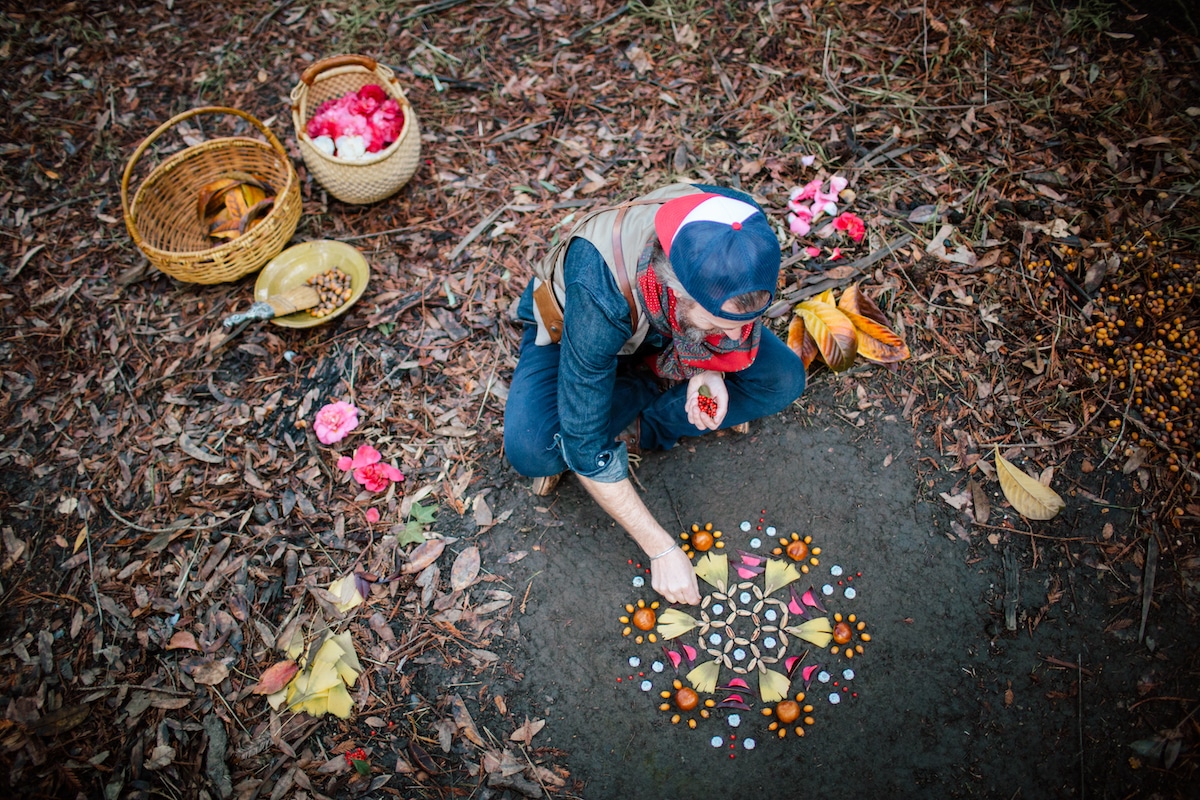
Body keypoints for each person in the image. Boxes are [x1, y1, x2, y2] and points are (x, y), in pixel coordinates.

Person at [503, 183, 807, 605]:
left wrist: (710, 364)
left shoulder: (740, 229)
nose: (738, 337)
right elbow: (586, 449)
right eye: (721, 325)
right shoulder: (599, 293)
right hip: (580, 330)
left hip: (665, 334)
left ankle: (649, 420)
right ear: (677, 288)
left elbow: (736, 326)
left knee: (783, 380)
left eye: (747, 323)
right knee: (535, 450)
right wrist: (662, 549)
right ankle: (651, 381)